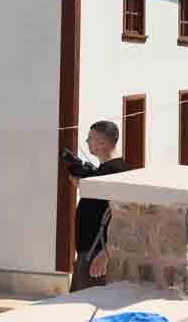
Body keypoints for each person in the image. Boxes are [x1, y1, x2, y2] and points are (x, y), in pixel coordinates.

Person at [63, 120, 128, 292]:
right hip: (88, 253)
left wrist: (106, 252)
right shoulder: (105, 171)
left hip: (97, 256)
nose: (87, 142)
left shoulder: (117, 172)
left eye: (90, 138)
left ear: (103, 142)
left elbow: (123, 218)